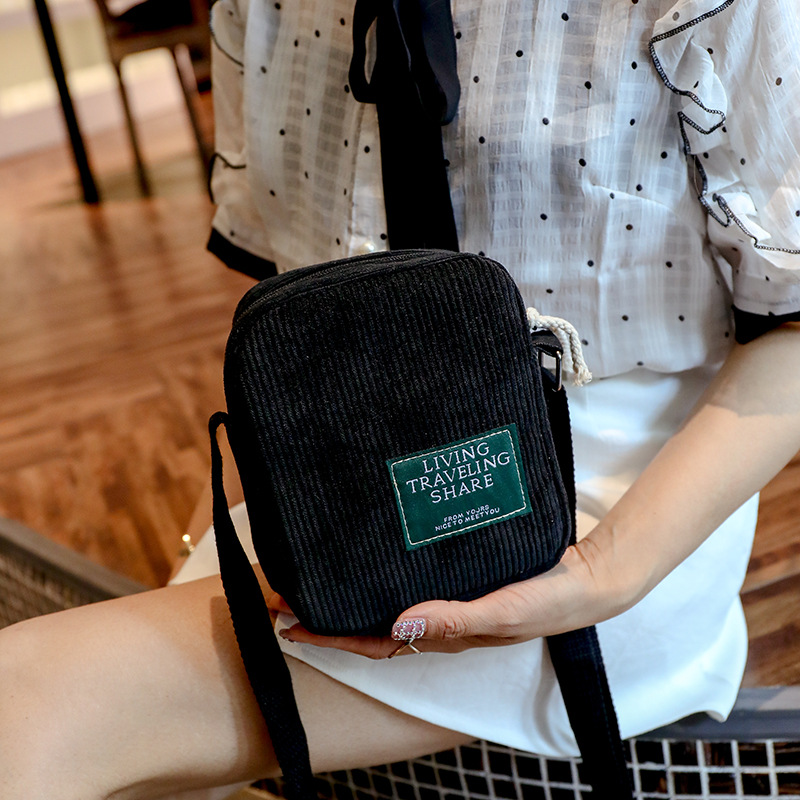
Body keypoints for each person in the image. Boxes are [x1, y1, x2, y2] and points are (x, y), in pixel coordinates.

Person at [2, 0, 800, 798]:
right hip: (337, 494)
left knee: (31, 702)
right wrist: (243, 516)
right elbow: (286, 305)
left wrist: (603, 572)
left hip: (622, 507)